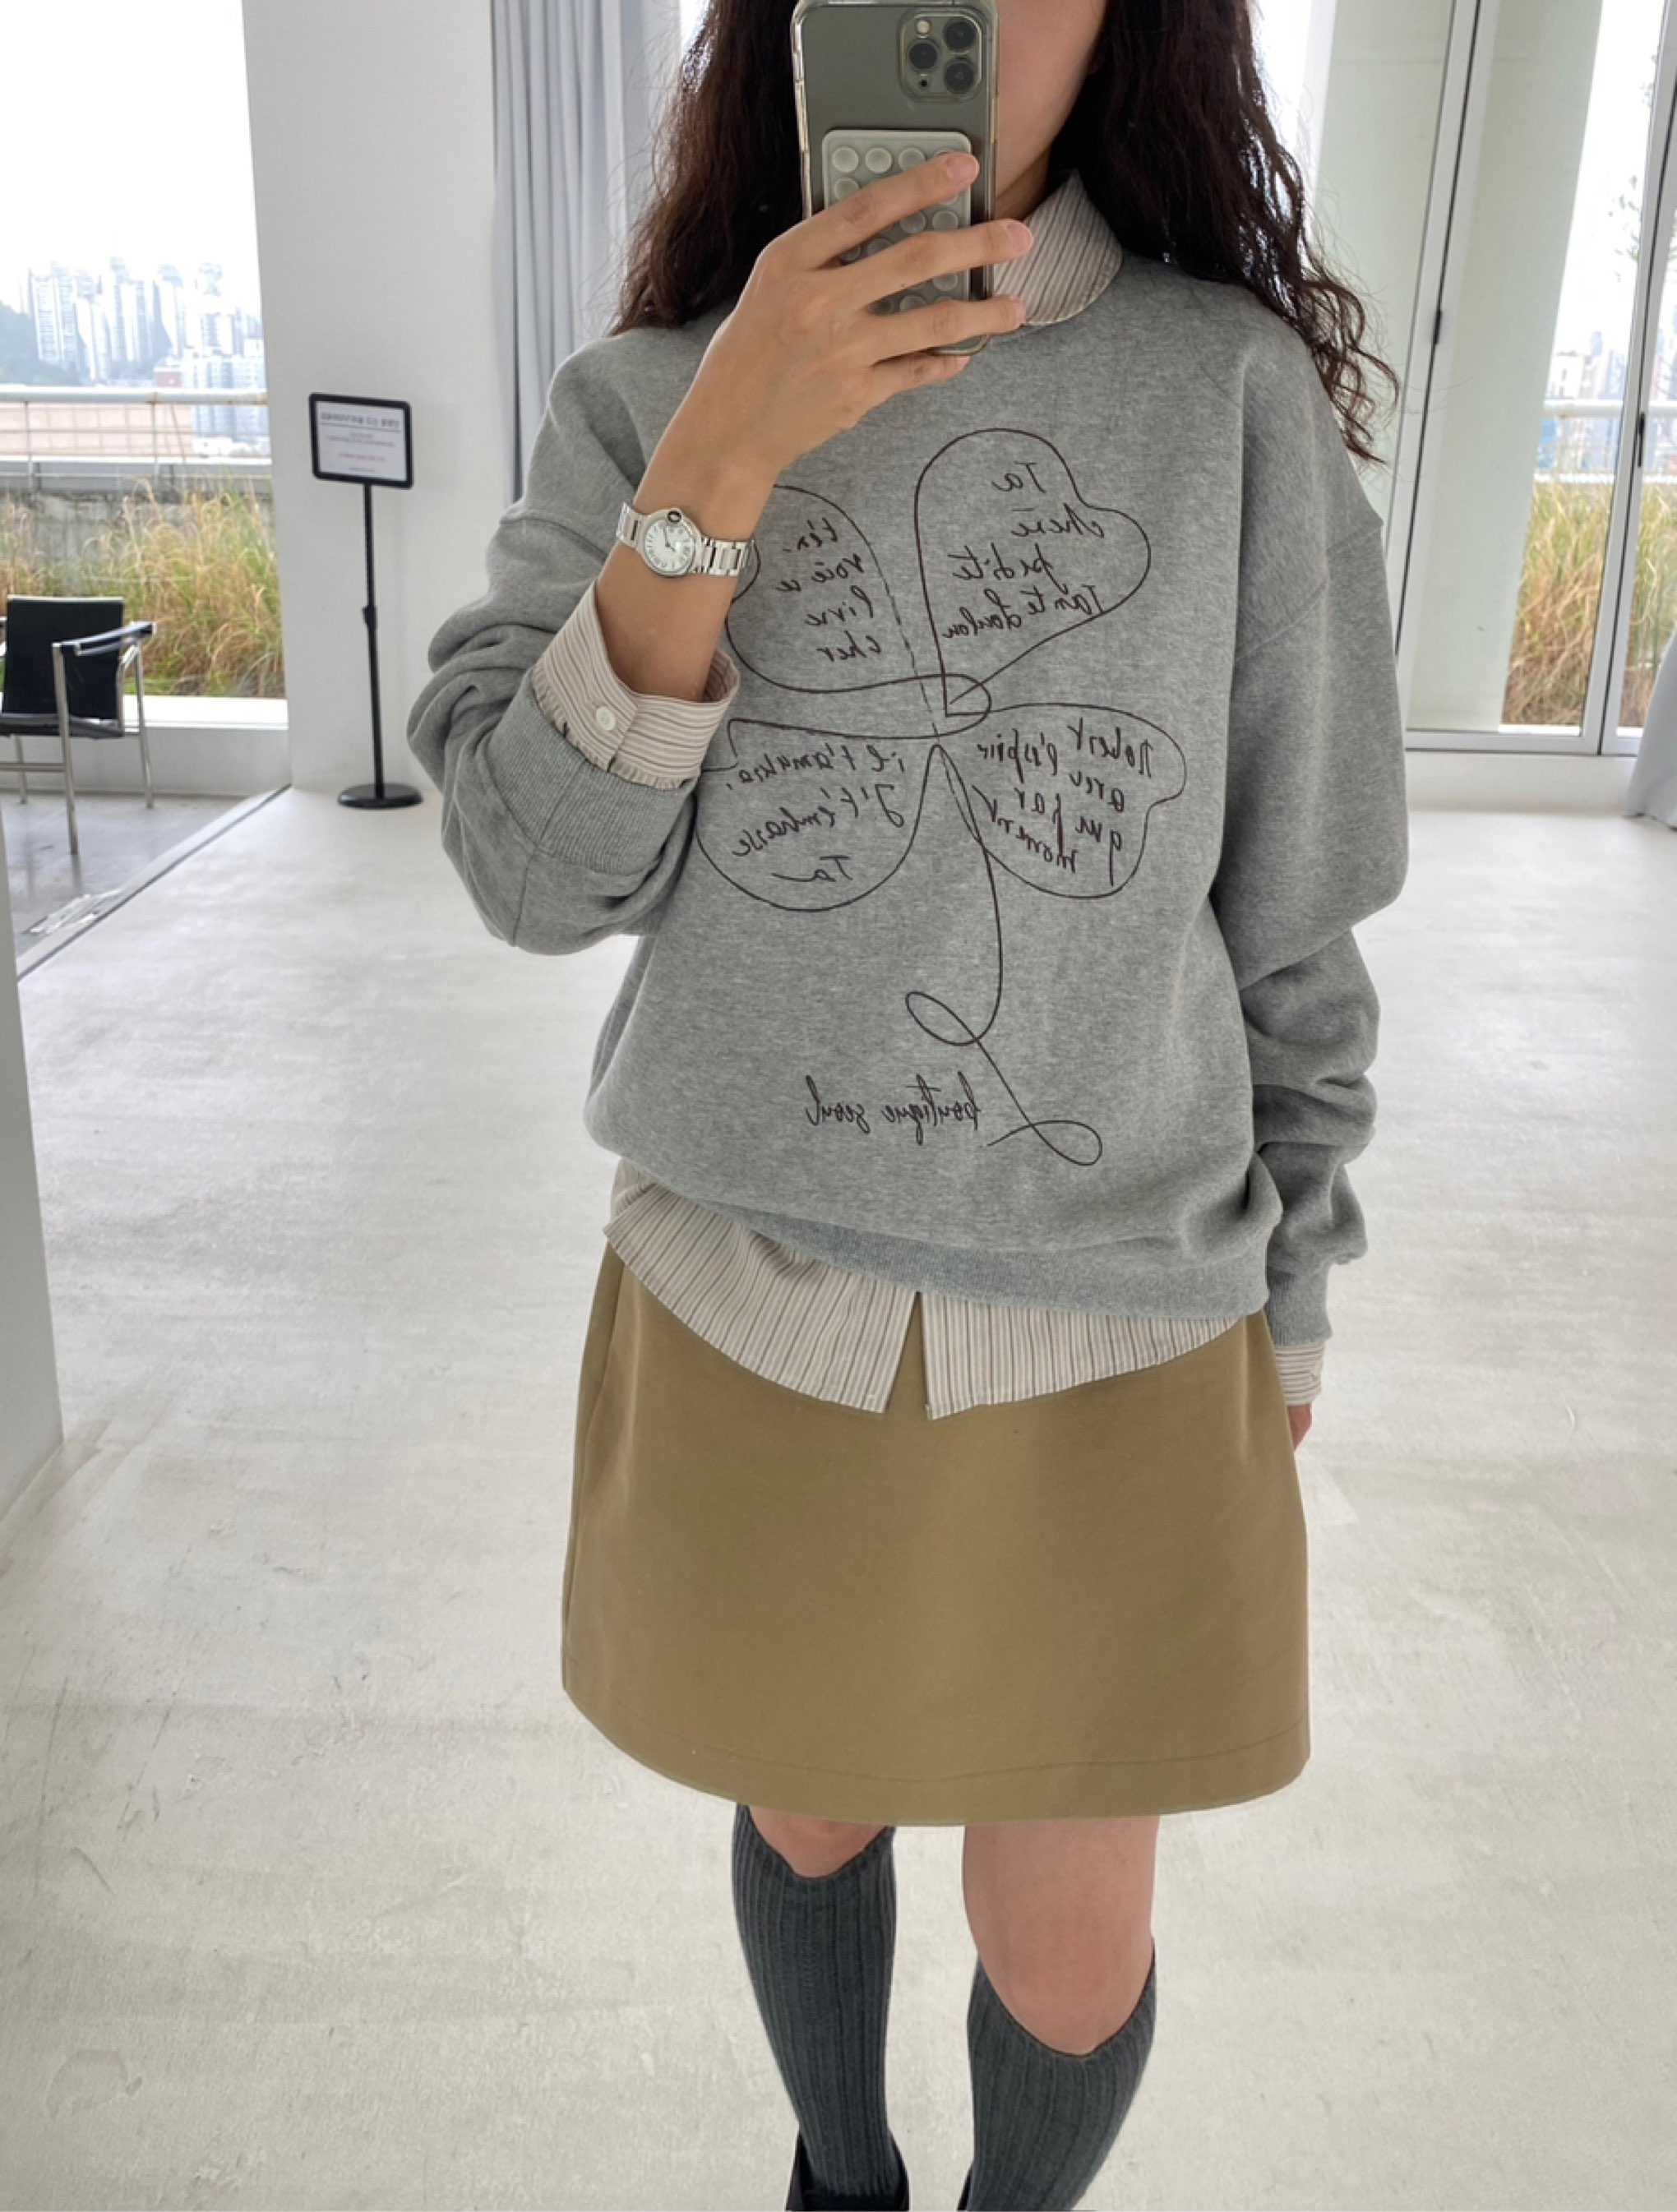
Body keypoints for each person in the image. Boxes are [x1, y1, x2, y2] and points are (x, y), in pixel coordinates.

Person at [405, 2, 1410, 2205]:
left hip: (1125, 1330)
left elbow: (1298, 917)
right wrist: (717, 467)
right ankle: (840, 2179)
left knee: (1070, 1942)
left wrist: (1302, 1295)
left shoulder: (1229, 399)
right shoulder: (653, 397)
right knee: (805, 1808)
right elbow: (531, 875)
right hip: (758, 1304)